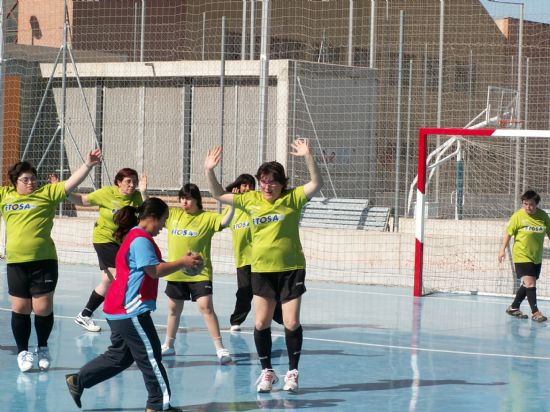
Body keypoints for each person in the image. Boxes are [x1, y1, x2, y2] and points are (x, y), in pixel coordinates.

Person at [204, 137, 323, 392]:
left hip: (291, 269)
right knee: (261, 323)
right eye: (264, 181)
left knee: (291, 323)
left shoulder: (293, 199)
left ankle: (292, 372)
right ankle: (267, 372)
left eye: (273, 182)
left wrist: (308, 156)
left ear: (282, 184)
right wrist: (209, 170)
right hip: (261, 269)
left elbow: (316, 183)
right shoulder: (250, 200)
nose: (267, 187)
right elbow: (216, 194)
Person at [65, 198, 203, 412]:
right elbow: (154, 271)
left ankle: (79, 380)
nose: (164, 226)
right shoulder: (140, 239)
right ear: (153, 218)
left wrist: (179, 263)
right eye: (163, 220)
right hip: (129, 310)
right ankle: (158, 406)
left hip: (118, 307)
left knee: (120, 357)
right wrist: (182, 263)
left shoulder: (137, 237)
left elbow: (150, 268)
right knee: (151, 356)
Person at [3, 149, 102, 372]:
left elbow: (70, 184)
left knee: (42, 308)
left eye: (33, 179)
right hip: (16, 263)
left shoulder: (46, 193)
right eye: (26, 179)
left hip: (44, 261)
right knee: (20, 308)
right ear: (14, 182)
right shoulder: (5, 196)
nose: (31, 183)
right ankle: (22, 351)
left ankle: (43, 347)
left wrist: (87, 165)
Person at [160, 183, 234, 364]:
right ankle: (168, 346)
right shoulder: (174, 215)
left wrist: (233, 205)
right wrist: (144, 192)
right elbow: (154, 212)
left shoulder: (207, 218)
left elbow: (225, 222)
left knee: (205, 306)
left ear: (197, 200)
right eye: (182, 198)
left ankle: (220, 348)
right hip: (176, 271)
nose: (184, 202)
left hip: (199, 272)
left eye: (189, 198)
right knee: (173, 310)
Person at [69, 168, 148, 332]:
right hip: (104, 239)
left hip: (122, 242)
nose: (132, 185)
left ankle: (85, 314)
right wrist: (64, 192)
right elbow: (83, 200)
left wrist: (144, 191)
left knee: (107, 280)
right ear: (118, 182)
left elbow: (148, 213)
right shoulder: (106, 193)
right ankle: (121, 316)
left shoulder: (137, 198)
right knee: (121, 276)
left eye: (134, 181)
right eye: (128, 181)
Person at [225, 174, 283, 332]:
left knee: (268, 292)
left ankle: (280, 318)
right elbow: (222, 219)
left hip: (261, 258)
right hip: (243, 259)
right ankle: (236, 320)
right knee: (244, 291)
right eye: (244, 185)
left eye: (250, 185)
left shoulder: (256, 205)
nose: (247, 188)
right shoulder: (232, 209)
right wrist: (233, 200)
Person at [498, 190, 550, 322]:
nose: (528, 207)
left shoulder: (543, 216)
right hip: (521, 255)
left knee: (528, 283)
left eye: (531, 204)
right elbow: (508, 233)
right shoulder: (518, 216)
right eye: (525, 204)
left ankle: (514, 307)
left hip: (536, 256)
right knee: (530, 282)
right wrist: (502, 250)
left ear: (536, 204)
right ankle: (535, 312)